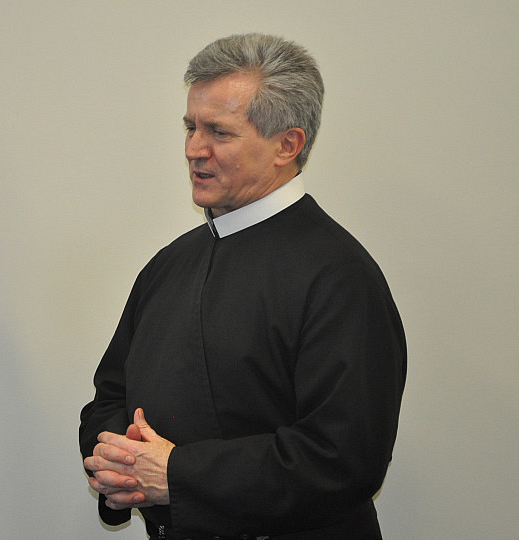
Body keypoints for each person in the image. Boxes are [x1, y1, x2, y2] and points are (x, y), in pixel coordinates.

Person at [80, 33, 406, 539]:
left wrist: (177, 475)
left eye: (219, 132)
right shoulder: (168, 264)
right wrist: (120, 462)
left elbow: (343, 457)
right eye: (190, 127)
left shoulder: (340, 276)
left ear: (287, 145)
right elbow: (110, 394)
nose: (193, 149)